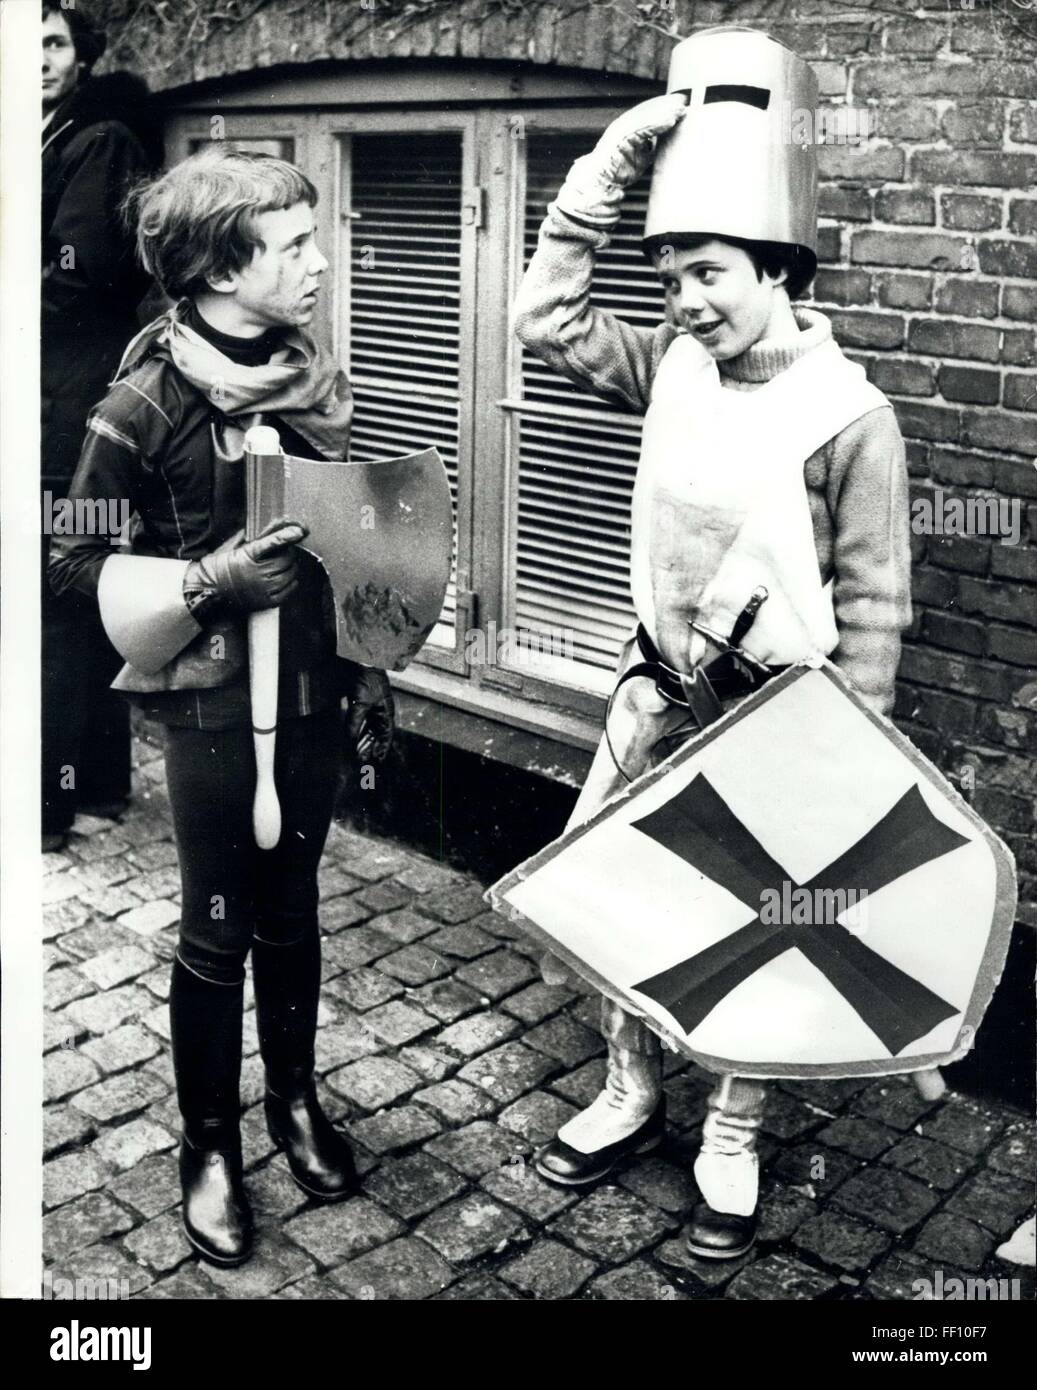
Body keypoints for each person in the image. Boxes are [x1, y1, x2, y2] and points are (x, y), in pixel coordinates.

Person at [513, 27, 912, 1259]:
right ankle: (631, 1089)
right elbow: (543, 313)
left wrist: (852, 755)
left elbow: (874, 604)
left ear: (777, 267)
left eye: (709, 272)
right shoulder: (672, 364)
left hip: (784, 723)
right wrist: (603, 174)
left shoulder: (853, 417)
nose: (685, 299)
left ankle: (730, 1131)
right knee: (630, 903)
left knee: (763, 928)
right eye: (671, 274)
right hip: (657, 697)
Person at [49, 147, 396, 1267]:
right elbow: (69, 557)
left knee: (292, 906)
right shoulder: (138, 407)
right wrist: (206, 585)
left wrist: (373, 663)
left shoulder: (310, 375)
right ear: (215, 265)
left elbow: (356, 536)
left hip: (313, 695)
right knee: (215, 927)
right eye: (291, 245)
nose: (317, 263)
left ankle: (292, 1100)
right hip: (206, 707)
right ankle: (209, 1145)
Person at [41, 0, 162, 849]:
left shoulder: (100, 141)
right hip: (48, 409)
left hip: (74, 428)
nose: (36, 59)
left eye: (51, 43)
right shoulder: (39, 140)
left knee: (61, 597)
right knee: (73, 598)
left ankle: (47, 802)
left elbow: (74, 283)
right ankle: (99, 783)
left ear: (79, 57)